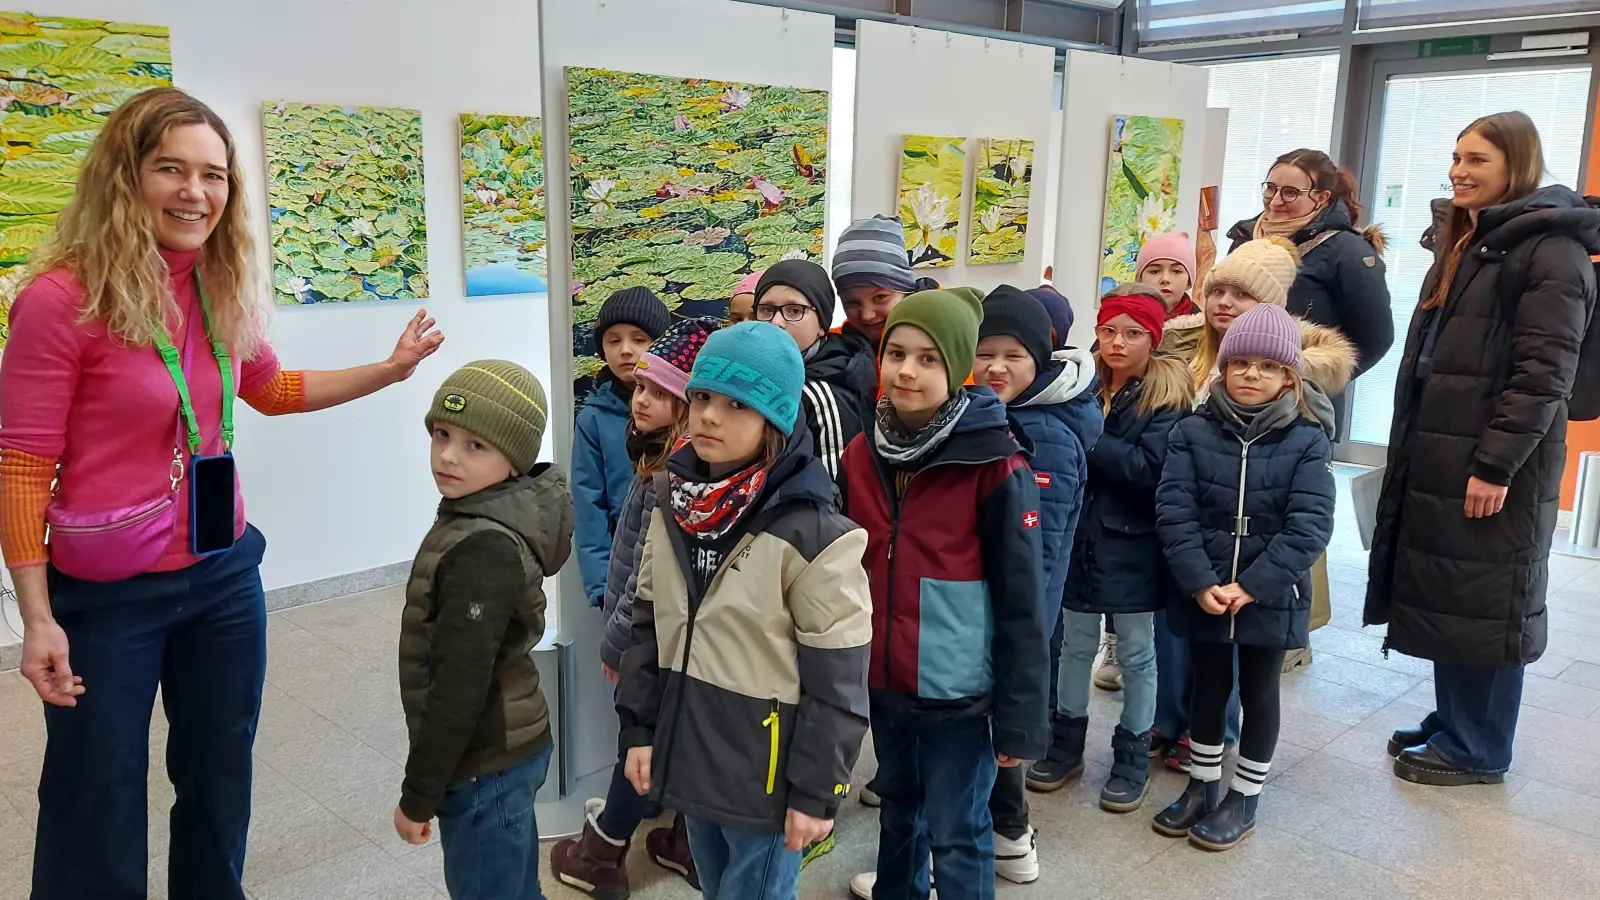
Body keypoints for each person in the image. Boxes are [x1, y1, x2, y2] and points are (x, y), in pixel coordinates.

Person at [0, 88, 443, 899]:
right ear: (124, 176)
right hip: (106, 595)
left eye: (214, 174)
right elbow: (22, 465)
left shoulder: (216, 283)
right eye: (171, 169)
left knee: (219, 773)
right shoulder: (60, 301)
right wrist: (36, 616)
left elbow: (271, 391)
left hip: (221, 576)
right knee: (95, 792)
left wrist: (388, 370)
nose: (195, 192)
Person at [1366, 112, 1600, 786]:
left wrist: (1497, 461)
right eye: (1455, 156)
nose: (1458, 171)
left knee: (1488, 600)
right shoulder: (1479, 238)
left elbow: (1545, 373)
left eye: (1477, 160)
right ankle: (1456, 721)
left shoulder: (1548, 250)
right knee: (1455, 591)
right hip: (1448, 446)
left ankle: (1480, 747)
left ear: (1516, 167)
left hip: (1497, 461)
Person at [617, 321, 873, 900]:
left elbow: (839, 679)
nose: (709, 415)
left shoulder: (816, 535)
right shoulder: (671, 503)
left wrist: (817, 791)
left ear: (774, 421)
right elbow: (646, 628)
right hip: (690, 754)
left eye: (737, 404)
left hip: (766, 777)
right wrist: (639, 727)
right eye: (703, 396)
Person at [841, 288, 1049, 900]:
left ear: (958, 370)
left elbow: (1022, 603)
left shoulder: (996, 465)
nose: (907, 370)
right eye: (896, 353)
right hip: (884, 677)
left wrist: (1020, 722)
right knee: (898, 809)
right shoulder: (861, 453)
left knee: (959, 829)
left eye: (928, 359)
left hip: (959, 689)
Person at [1153, 303, 1337, 851]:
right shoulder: (1192, 430)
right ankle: (1202, 787)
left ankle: (1244, 798)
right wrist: (1199, 579)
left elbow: (1309, 527)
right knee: (1206, 689)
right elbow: (1174, 510)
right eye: (1241, 364)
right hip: (1205, 587)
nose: (1251, 375)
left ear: (1288, 376)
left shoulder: (1307, 439)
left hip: (1270, 594)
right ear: (1224, 368)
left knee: (1258, 692)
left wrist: (1252, 585)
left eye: (1266, 366)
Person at [551, 317, 719, 897]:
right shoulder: (667, 460)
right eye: (640, 388)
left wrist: (619, 643)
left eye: (658, 392)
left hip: (652, 644)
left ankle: (602, 853)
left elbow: (645, 581)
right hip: (669, 644)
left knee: (641, 743)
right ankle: (687, 844)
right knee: (672, 740)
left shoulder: (666, 476)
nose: (639, 400)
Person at [395, 362, 573, 899]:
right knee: (511, 881)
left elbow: (458, 686)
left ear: (513, 460)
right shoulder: (475, 519)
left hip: (483, 762)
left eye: (476, 446)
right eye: (442, 435)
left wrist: (418, 794)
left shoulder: (483, 547)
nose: (448, 455)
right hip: (502, 752)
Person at [1029, 286, 1192, 813]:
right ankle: (1065, 743)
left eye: (1132, 333)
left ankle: (1131, 755)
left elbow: (1149, 471)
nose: (1117, 342)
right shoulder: (1077, 387)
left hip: (1135, 545)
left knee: (1138, 654)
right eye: (1108, 331)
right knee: (1075, 647)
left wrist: (1089, 439)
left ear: (1154, 339)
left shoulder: (1167, 398)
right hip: (1077, 538)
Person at [1164, 237, 1355, 673]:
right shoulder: (1179, 353)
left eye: (1242, 295)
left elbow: (1309, 509)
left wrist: (1258, 580)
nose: (1224, 303)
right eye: (1217, 291)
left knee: (1243, 675)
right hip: (1194, 541)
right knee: (1190, 656)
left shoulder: (1298, 387)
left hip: (1258, 555)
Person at [973, 285, 1102, 881]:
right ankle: (1011, 837)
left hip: (1012, 616)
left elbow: (1038, 555)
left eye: (1012, 355)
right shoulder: (1004, 416)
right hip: (998, 612)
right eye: (983, 352)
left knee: (985, 735)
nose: (996, 366)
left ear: (1041, 359)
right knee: (995, 733)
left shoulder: (1042, 433)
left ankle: (965, 849)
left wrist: (1016, 627)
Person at [1226, 148, 1394, 435]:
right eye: (1271, 188)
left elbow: (1376, 338)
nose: (1276, 200)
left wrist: (1313, 378)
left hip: (1303, 409)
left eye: (1291, 192)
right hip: (1235, 400)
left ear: (1322, 197)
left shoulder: (1348, 251)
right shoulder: (1245, 239)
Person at [573, 287, 671, 607]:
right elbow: (589, 505)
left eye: (639, 339)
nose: (626, 351)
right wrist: (600, 584)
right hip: (622, 567)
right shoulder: (593, 419)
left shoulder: (683, 408)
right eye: (613, 341)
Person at [755, 260, 876, 480]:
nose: (776, 322)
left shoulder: (821, 397)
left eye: (794, 310)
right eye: (766, 310)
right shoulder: (756, 373)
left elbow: (834, 491)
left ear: (821, 325)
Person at [831, 215, 919, 355]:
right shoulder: (830, 350)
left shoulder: (943, 344)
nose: (867, 315)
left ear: (906, 291)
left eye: (880, 297)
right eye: (852, 302)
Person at [1136, 232, 1199, 319]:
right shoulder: (1120, 322)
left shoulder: (1204, 328)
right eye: (1155, 271)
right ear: (1140, 280)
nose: (1165, 279)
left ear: (1189, 282)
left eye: (1176, 271)